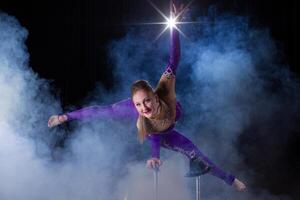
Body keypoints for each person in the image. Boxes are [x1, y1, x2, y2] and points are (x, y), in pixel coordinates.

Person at [48, 3, 246, 191]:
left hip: (170, 124)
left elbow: (174, 58)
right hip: (162, 137)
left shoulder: (165, 88)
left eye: (147, 101)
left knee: (201, 159)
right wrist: (65, 117)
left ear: (154, 95)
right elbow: (99, 112)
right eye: (138, 104)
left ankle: (231, 180)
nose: (144, 107)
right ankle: (230, 180)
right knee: (169, 140)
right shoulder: (136, 113)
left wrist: (174, 27)